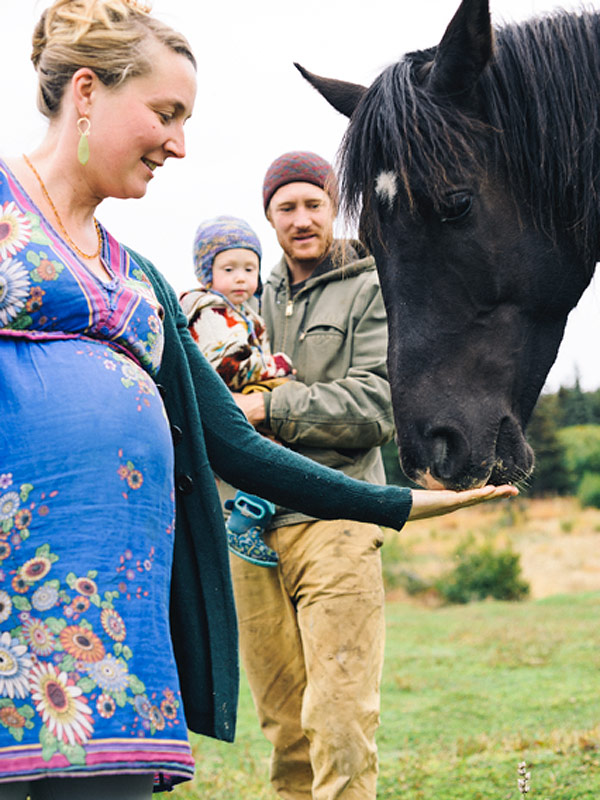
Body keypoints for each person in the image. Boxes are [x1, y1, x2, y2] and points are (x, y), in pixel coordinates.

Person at [0, 3, 517, 799]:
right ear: (88, 92)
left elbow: (235, 444)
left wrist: (396, 504)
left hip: (113, 650)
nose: (180, 143)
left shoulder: (137, 278)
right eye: (167, 114)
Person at [228, 150, 409, 800]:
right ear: (269, 216)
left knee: (338, 719)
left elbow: (380, 402)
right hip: (251, 529)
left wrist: (272, 406)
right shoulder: (246, 297)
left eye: (314, 204)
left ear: (336, 207)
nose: (301, 219)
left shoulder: (374, 285)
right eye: (287, 207)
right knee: (284, 728)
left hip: (337, 520)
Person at [180, 214, 293, 567]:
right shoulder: (209, 311)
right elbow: (228, 363)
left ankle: (250, 518)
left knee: (268, 458)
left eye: (249, 268)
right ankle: (242, 527)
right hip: (223, 399)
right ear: (206, 273)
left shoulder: (244, 313)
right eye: (228, 269)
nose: (241, 277)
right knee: (264, 459)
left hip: (238, 399)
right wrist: (277, 367)